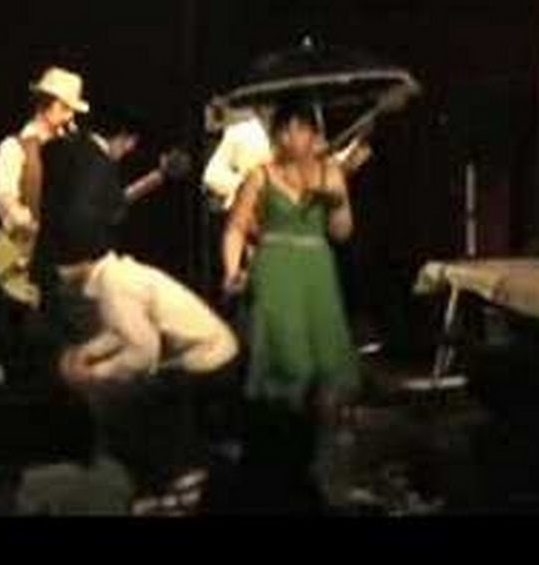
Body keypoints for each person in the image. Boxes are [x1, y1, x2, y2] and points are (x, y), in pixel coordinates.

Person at [33, 111, 238, 510]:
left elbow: (142, 352)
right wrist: (89, 356)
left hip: (208, 363)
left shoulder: (112, 284)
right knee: (123, 395)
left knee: (129, 403)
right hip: (201, 356)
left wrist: (93, 371)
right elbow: (126, 333)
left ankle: (171, 480)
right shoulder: (92, 165)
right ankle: (161, 478)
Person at [221, 95, 360, 507]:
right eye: (283, 129)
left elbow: (342, 233)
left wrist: (338, 198)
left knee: (327, 368)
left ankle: (321, 465)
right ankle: (282, 462)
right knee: (288, 362)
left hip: (317, 271)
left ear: (314, 134)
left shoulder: (330, 172)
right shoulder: (261, 174)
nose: (291, 136)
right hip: (275, 269)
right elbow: (235, 228)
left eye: (300, 128)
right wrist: (231, 269)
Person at [0, 66, 88, 307]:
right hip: (26, 264)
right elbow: (4, 195)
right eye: (67, 109)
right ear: (50, 105)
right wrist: (16, 211)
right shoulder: (13, 147)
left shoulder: (71, 151)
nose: (71, 119)